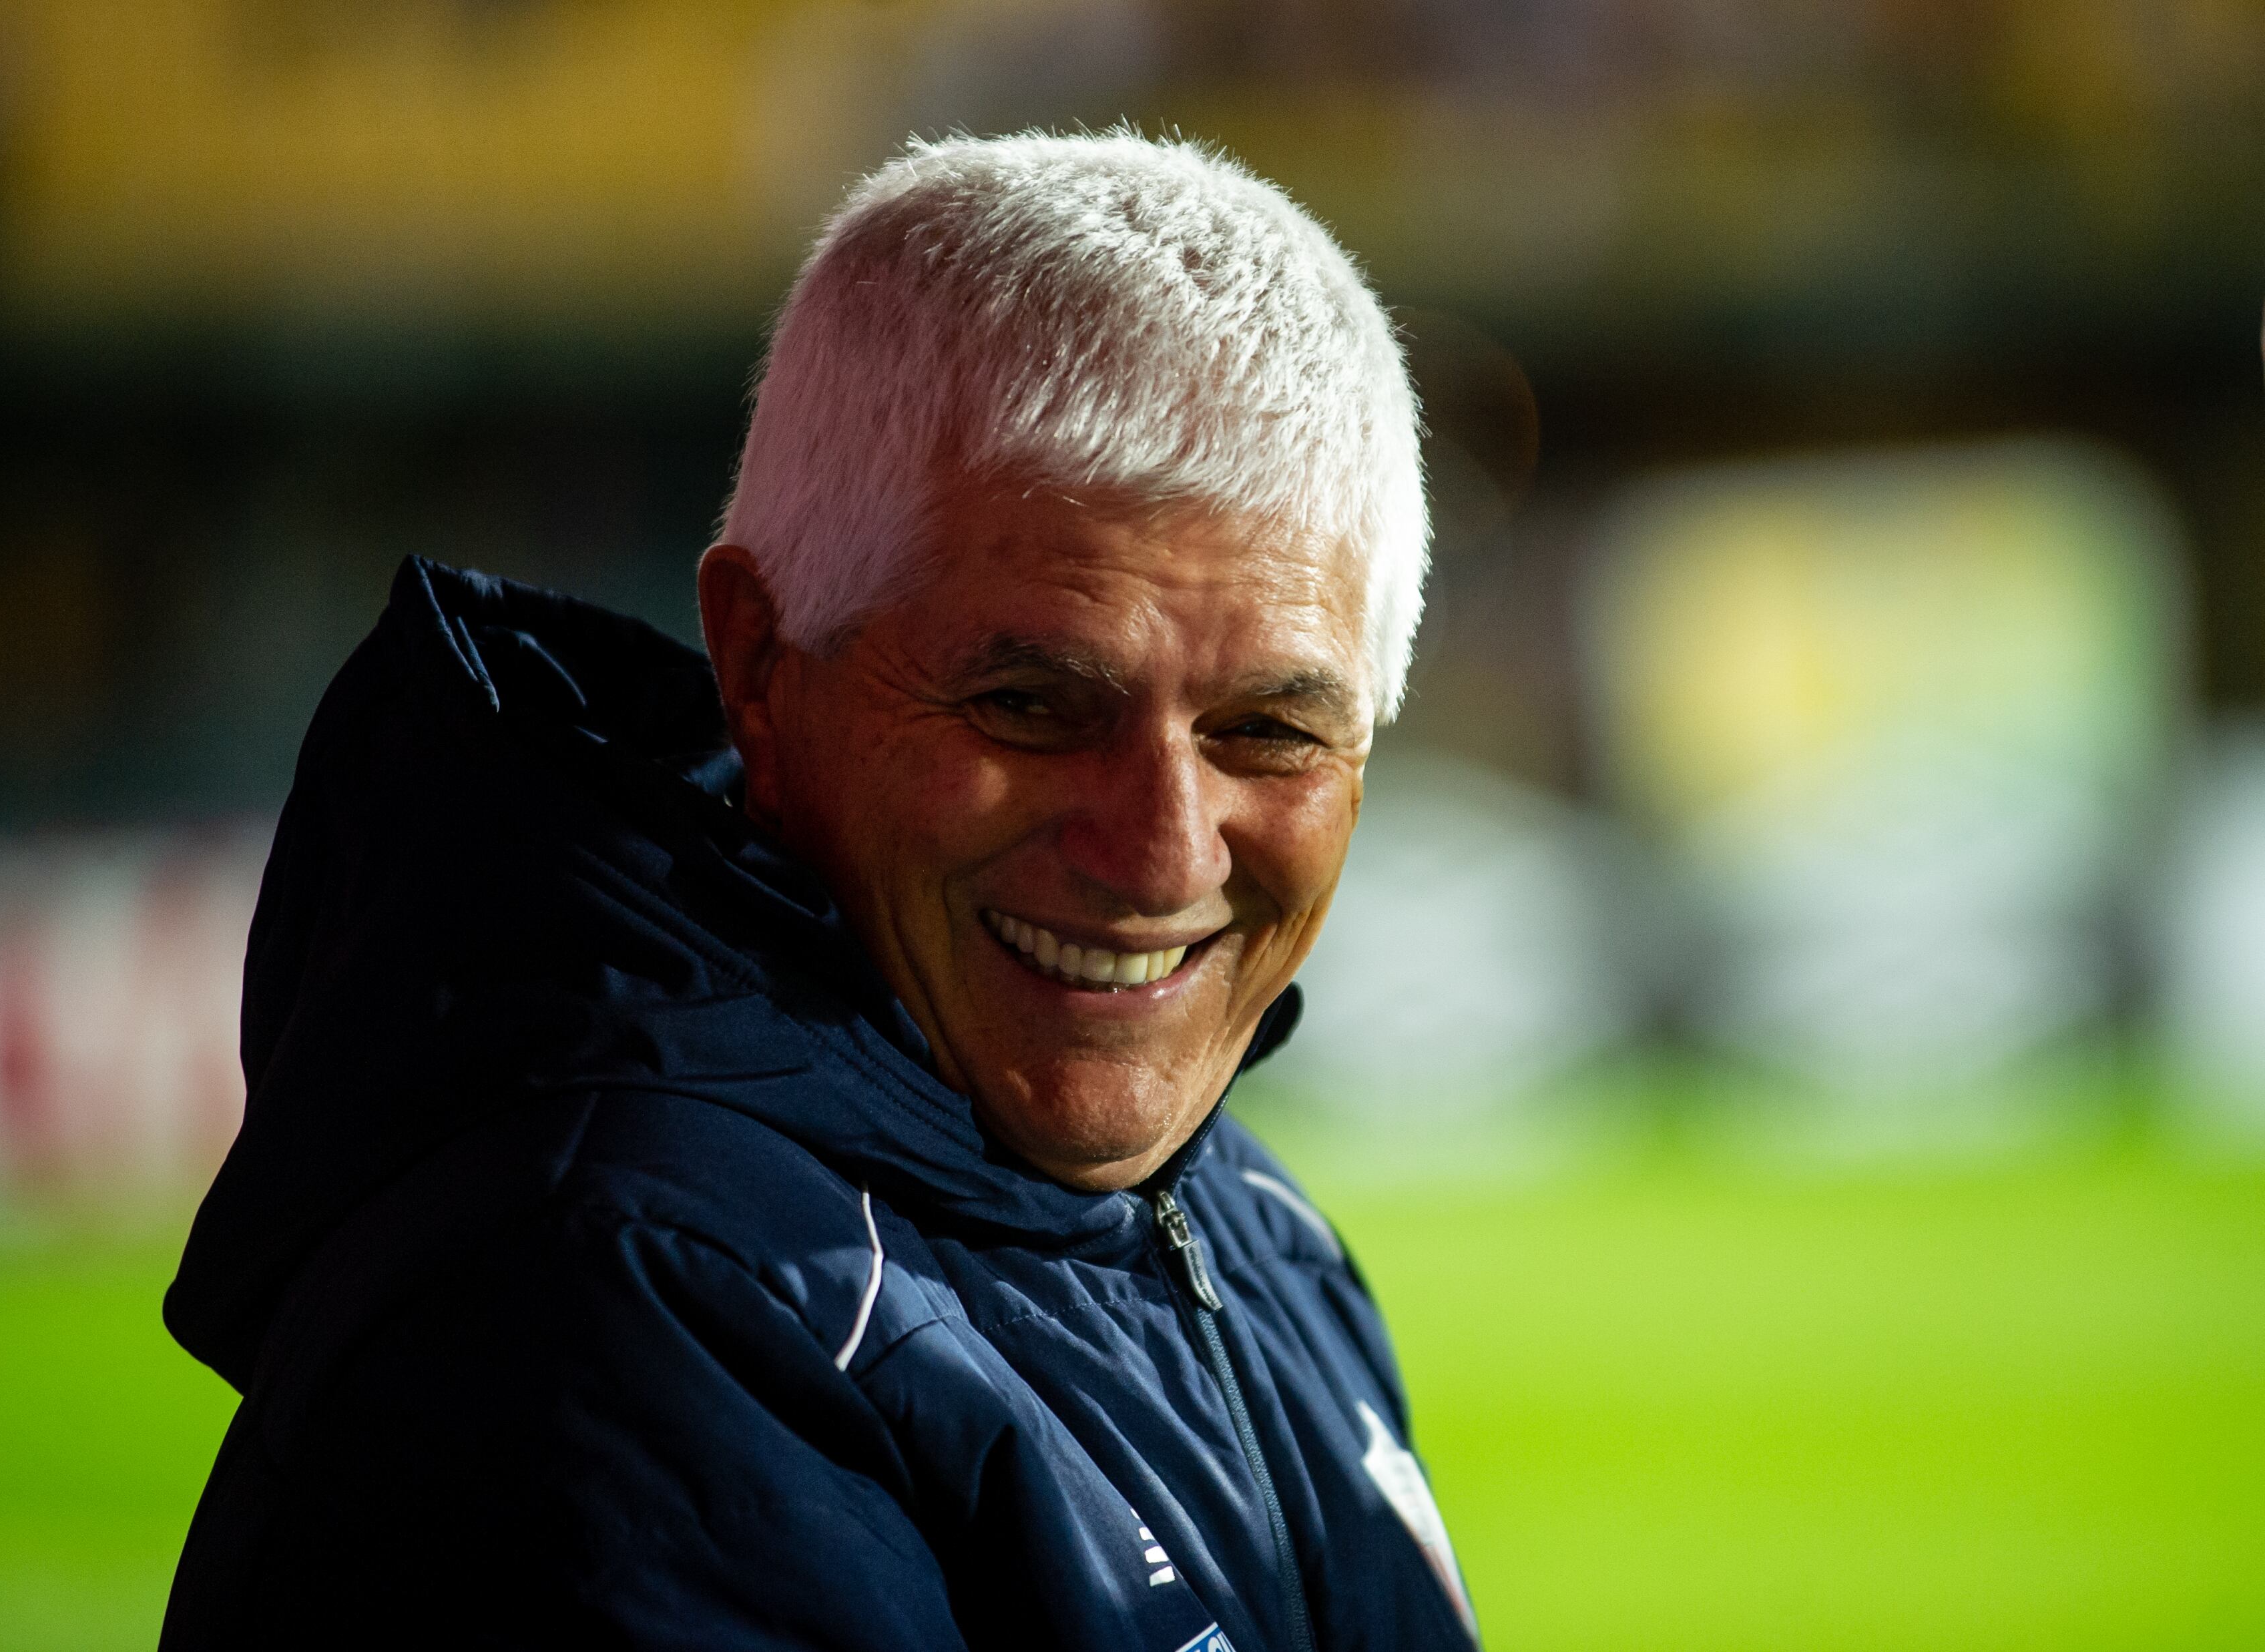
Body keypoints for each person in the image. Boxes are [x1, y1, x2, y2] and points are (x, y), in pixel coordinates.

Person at [160, 129, 1477, 1652]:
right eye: (1032, 705)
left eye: (1270, 731)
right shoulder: (605, 1314)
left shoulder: (1245, 1227)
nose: (1168, 850)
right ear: (761, 670)